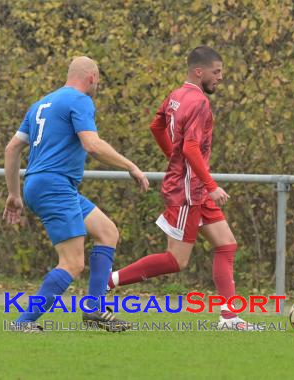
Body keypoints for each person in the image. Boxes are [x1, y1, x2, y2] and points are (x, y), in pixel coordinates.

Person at [108, 46, 255, 330]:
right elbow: (189, 147)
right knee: (176, 260)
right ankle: (108, 282)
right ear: (199, 72)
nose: (220, 78)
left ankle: (229, 318)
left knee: (226, 245)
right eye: (217, 72)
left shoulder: (176, 95)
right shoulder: (199, 102)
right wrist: (211, 185)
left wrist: (173, 159)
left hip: (192, 184)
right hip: (190, 191)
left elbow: (156, 126)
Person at [3, 56, 149, 332]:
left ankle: (94, 310)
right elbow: (92, 145)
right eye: (98, 81)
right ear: (92, 78)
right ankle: (22, 324)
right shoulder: (80, 101)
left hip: (41, 184)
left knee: (107, 232)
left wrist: (14, 194)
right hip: (54, 185)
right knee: (72, 263)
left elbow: (12, 149)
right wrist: (131, 166)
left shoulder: (39, 105)